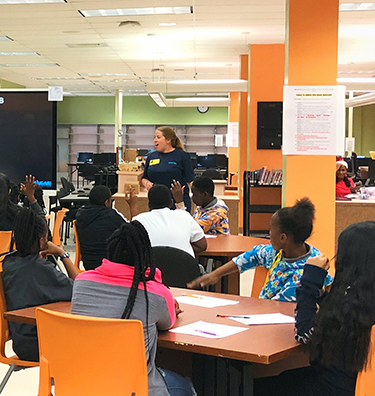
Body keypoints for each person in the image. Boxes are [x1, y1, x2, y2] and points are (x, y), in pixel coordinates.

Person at [64, 221, 196, 396]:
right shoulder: (155, 293)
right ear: (145, 257)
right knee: (187, 393)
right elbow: (168, 322)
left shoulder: (82, 282)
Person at [256, 221, 375, 396]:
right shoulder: (358, 300)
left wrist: (310, 281)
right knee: (288, 384)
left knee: (252, 393)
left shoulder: (347, 303)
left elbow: (305, 334)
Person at [189, 198, 331, 301]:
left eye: (271, 231)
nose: (268, 234)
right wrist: (216, 274)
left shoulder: (304, 272)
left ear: (282, 238)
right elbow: (253, 256)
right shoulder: (280, 252)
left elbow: (278, 308)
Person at [1, 205, 77, 362]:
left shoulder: (9, 263)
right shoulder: (40, 268)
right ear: (42, 239)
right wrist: (62, 253)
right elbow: (79, 288)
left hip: (22, 341)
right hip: (40, 344)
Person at [130, 184, 207, 258]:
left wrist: (132, 205)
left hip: (151, 270)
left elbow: (134, 246)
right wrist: (181, 248)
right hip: (184, 269)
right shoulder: (184, 216)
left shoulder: (139, 220)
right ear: (171, 203)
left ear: (149, 205)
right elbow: (202, 245)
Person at [140, 126, 194, 212]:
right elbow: (144, 178)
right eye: (154, 137)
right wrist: (146, 183)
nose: (155, 140)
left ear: (168, 140)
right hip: (156, 202)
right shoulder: (151, 156)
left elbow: (189, 180)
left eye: (158, 137)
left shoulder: (182, 156)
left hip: (177, 201)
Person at [75, 184, 126, 270]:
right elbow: (129, 231)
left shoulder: (81, 215)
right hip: (110, 263)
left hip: (88, 263)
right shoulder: (111, 215)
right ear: (106, 202)